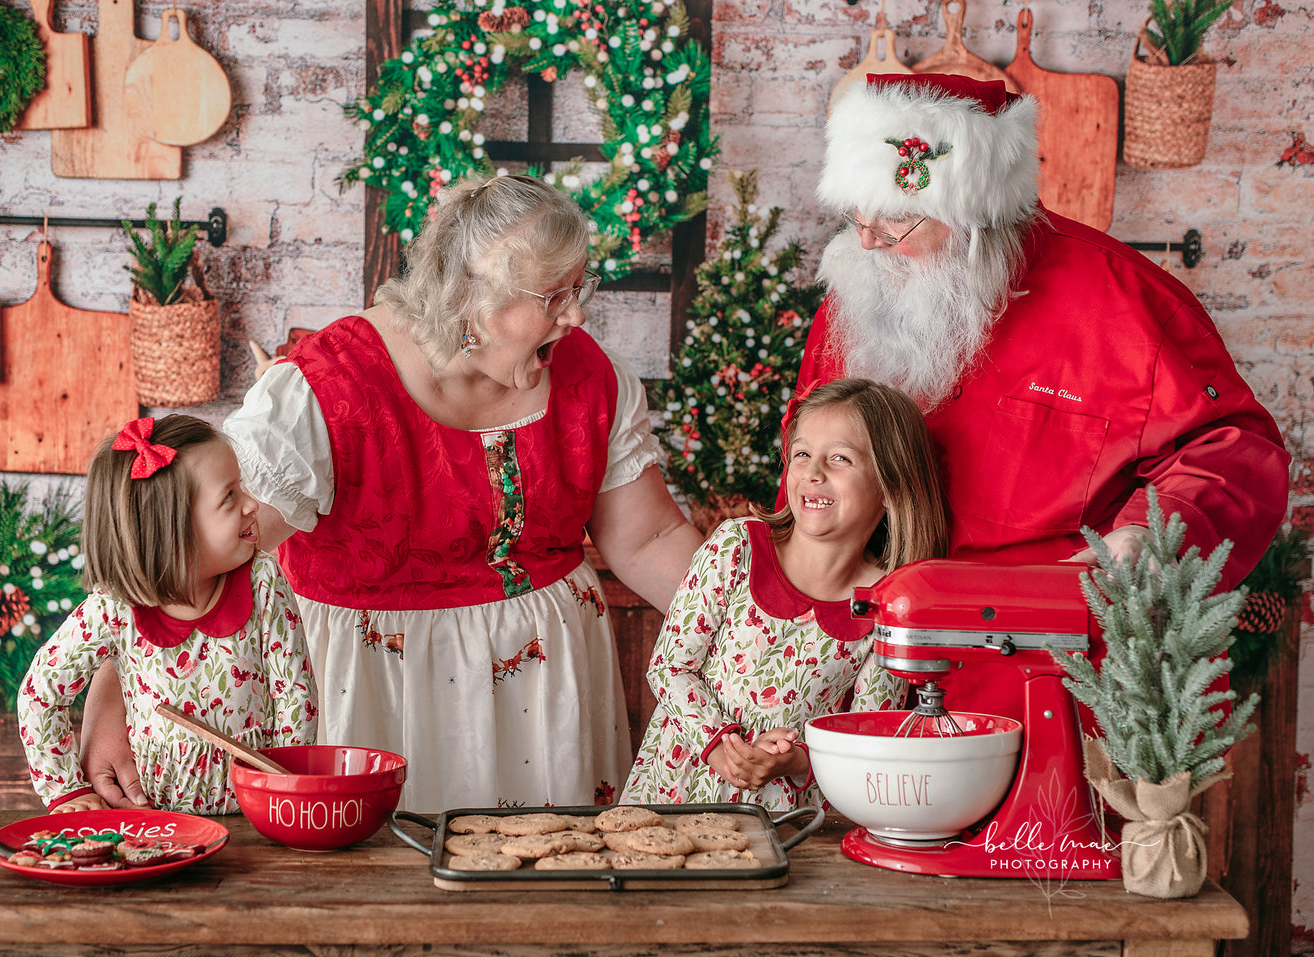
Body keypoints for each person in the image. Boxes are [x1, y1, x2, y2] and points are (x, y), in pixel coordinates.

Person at [78, 175, 706, 812]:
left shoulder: (591, 377)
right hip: (373, 699)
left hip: (544, 702)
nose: (576, 315)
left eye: (581, 288)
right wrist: (113, 684)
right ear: (470, 297)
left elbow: (649, 538)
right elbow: (199, 553)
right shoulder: (327, 392)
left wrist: (757, 633)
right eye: (554, 296)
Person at [796, 72, 1290, 719]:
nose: (867, 240)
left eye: (894, 218)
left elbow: (1234, 450)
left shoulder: (1122, 299)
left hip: (1059, 673)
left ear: (974, 216)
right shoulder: (859, 291)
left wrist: (1145, 535)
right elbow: (807, 472)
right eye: (856, 212)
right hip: (877, 664)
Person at [622, 379, 949, 810]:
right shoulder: (736, 547)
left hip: (778, 816)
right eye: (802, 454)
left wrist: (794, 760)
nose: (814, 472)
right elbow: (670, 666)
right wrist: (720, 744)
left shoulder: (886, 606)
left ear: (890, 487)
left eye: (840, 458)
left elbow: (865, 738)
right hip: (673, 789)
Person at [17, 415, 318, 814]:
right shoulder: (114, 607)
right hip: (153, 823)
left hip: (256, 817)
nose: (252, 504)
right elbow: (41, 692)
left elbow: (295, 695)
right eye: (229, 496)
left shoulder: (263, 580)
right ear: (172, 529)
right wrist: (66, 791)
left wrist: (283, 790)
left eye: (241, 486)